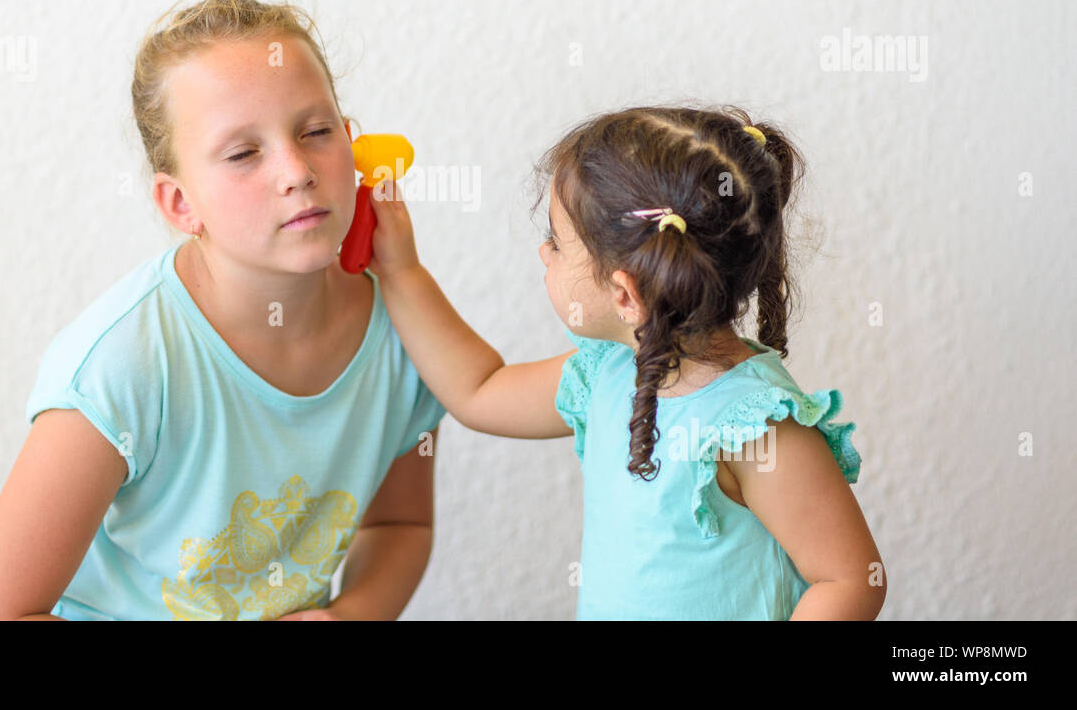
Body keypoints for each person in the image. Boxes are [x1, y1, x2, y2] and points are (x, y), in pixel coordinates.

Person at [0, 0, 445, 620]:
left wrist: (348, 615)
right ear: (179, 203)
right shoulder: (121, 366)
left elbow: (401, 524)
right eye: (244, 153)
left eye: (317, 131)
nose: (296, 169)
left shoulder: (405, 333)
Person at [368, 105, 886, 619]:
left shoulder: (754, 426)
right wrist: (400, 271)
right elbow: (478, 390)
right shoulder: (607, 373)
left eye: (555, 241)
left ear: (625, 296)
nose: (543, 254)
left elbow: (848, 580)